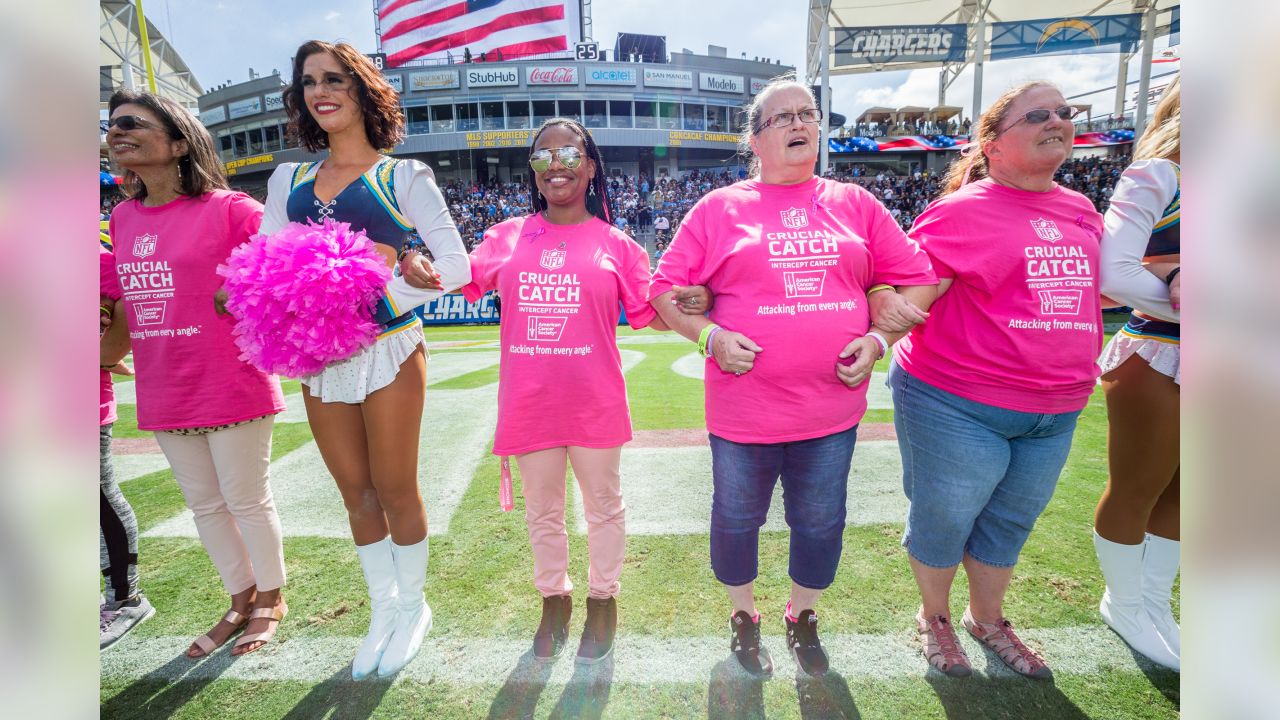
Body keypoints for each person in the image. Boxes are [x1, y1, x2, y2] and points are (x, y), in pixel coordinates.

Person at [649, 79, 936, 678]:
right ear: (754, 140)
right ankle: (743, 615)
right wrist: (709, 337)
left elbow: (920, 277)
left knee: (822, 520)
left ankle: (802, 614)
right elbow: (662, 290)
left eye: (807, 113)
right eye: (781, 117)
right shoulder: (719, 208)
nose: (797, 122)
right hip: (743, 411)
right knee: (734, 519)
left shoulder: (856, 203)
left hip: (830, 411)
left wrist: (879, 336)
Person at [261, 40, 470, 679]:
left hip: (388, 349)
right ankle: (384, 610)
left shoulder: (403, 177)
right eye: (308, 83)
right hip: (321, 362)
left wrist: (388, 285)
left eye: (335, 80)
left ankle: (415, 608)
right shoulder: (285, 180)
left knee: (395, 486)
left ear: (362, 91)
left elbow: (456, 269)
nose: (320, 92)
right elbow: (268, 272)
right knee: (355, 493)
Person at [886, 81, 1102, 679]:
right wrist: (881, 324)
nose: (1057, 120)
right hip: (957, 402)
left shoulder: (1081, 209)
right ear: (992, 144)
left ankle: (987, 619)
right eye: (1037, 115)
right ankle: (934, 618)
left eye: (1065, 112)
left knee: (1010, 521)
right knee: (945, 516)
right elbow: (913, 291)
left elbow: (1100, 292)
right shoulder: (960, 211)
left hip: (1056, 409)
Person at [442, 118, 675, 663]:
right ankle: (554, 598)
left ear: (590, 166)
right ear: (533, 171)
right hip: (530, 403)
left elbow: (650, 316)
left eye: (568, 153)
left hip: (595, 402)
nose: (555, 164)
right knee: (542, 511)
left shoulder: (618, 244)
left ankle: (603, 600)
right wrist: (416, 264)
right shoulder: (506, 236)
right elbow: (456, 279)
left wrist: (692, 302)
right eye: (542, 155)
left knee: (604, 508)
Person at [103, 89, 288, 657]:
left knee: (246, 499)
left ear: (179, 142)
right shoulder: (123, 218)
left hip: (230, 377)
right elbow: (134, 303)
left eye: (133, 123)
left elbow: (283, 277)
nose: (117, 132)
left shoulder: (233, 210)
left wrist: (242, 295)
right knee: (204, 506)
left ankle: (271, 599)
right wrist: (107, 352)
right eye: (112, 125)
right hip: (164, 385)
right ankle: (239, 597)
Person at [1093, 76, 1182, 671]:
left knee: (1188, 491)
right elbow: (1114, 272)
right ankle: (1124, 604)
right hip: (1158, 352)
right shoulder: (1159, 175)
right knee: (1138, 489)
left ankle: (1155, 602)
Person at [98, 241, 154, 650]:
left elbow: (130, 310)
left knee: (97, 496)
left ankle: (126, 598)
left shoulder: (96, 260)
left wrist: (105, 356)